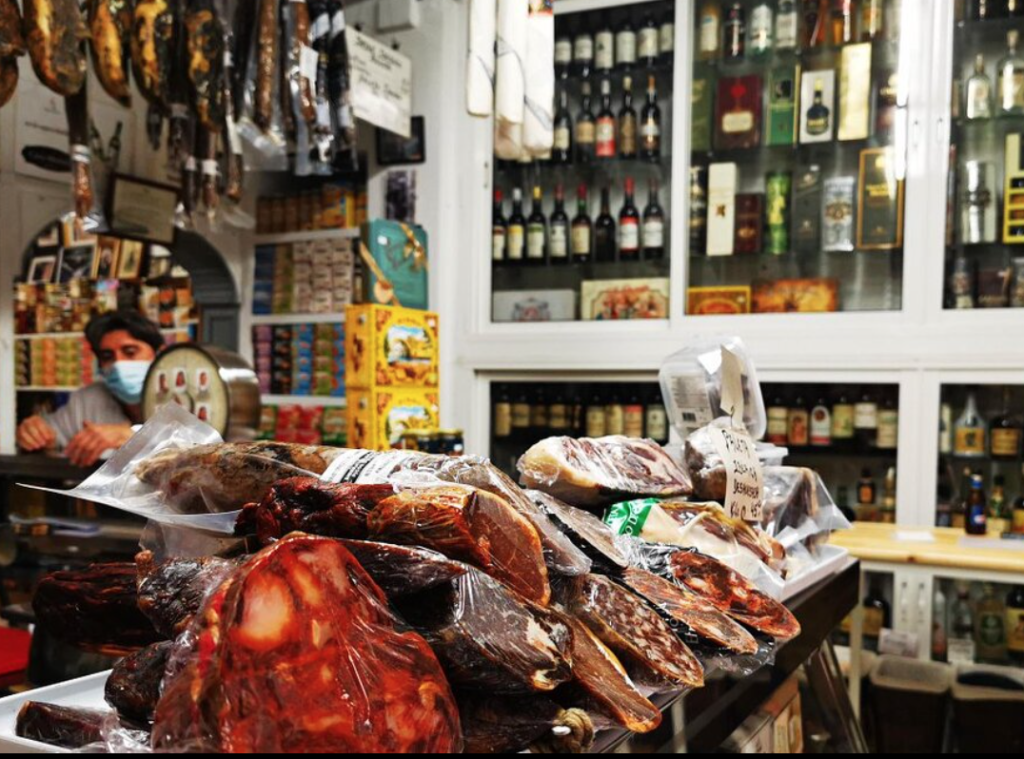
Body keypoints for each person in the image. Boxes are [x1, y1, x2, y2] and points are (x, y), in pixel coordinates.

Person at [16, 311, 164, 467]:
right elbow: (54, 441)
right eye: (107, 356)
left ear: (159, 354)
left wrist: (133, 436)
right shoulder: (89, 399)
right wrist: (36, 434)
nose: (118, 364)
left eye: (130, 352)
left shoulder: (185, 394)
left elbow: (188, 444)